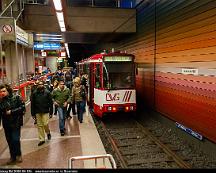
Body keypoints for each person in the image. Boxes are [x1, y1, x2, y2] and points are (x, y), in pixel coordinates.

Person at [0, 84, 26, 165]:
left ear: (8, 91)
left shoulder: (16, 97)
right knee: (10, 141)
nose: (2, 93)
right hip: (6, 124)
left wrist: (12, 111)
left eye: (4, 91)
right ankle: (12, 156)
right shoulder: (1, 101)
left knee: (15, 139)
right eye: (0, 92)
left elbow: (22, 108)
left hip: (16, 122)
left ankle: (18, 154)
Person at [31, 81, 53, 146]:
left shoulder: (47, 93)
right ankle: (42, 139)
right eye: (39, 84)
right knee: (39, 126)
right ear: (37, 85)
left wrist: (51, 112)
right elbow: (32, 104)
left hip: (45, 111)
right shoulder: (34, 93)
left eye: (41, 84)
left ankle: (48, 132)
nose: (40, 85)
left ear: (43, 85)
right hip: (37, 111)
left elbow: (51, 103)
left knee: (45, 123)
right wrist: (32, 113)